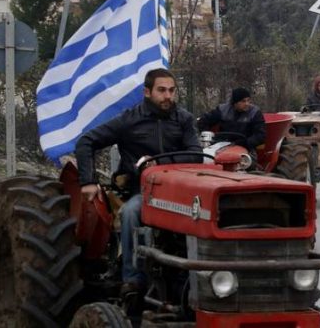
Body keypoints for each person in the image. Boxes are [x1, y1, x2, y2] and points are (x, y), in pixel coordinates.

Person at [75, 68, 202, 294]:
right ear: (147, 92)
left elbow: (196, 153)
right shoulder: (129, 120)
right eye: (161, 90)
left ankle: (196, 275)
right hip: (142, 192)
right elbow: (86, 142)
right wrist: (88, 181)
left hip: (179, 193)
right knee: (131, 212)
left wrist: (161, 162)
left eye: (172, 91)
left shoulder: (183, 119)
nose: (168, 96)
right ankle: (132, 278)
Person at [197, 88, 266, 152]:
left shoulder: (254, 113)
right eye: (243, 101)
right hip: (221, 146)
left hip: (246, 148)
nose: (247, 104)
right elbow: (203, 121)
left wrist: (245, 143)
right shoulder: (222, 110)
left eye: (248, 100)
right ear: (235, 103)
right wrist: (208, 138)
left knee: (248, 162)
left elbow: (260, 135)